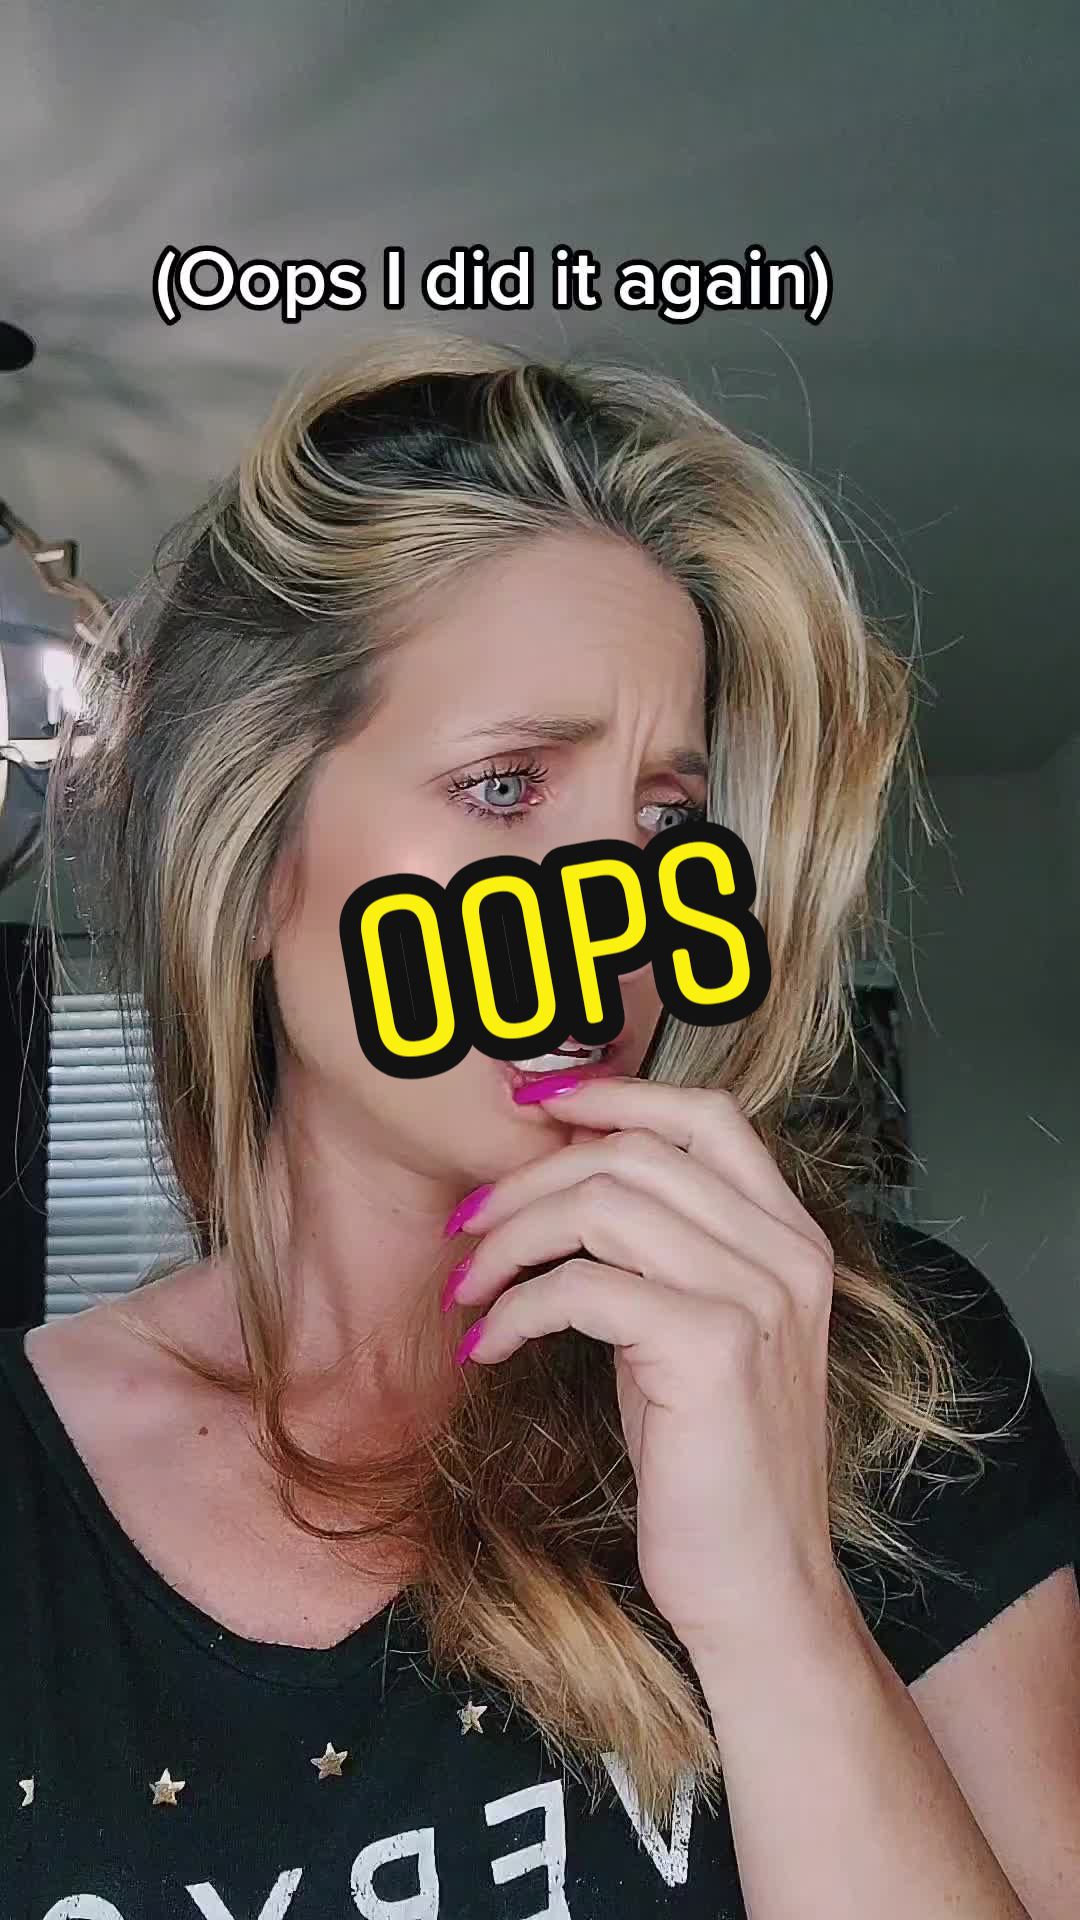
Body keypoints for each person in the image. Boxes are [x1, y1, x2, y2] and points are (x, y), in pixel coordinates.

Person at [4, 334, 1079, 1920]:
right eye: (507, 789)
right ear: (251, 857)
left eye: (663, 819)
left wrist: (776, 1603)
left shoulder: (881, 1370)